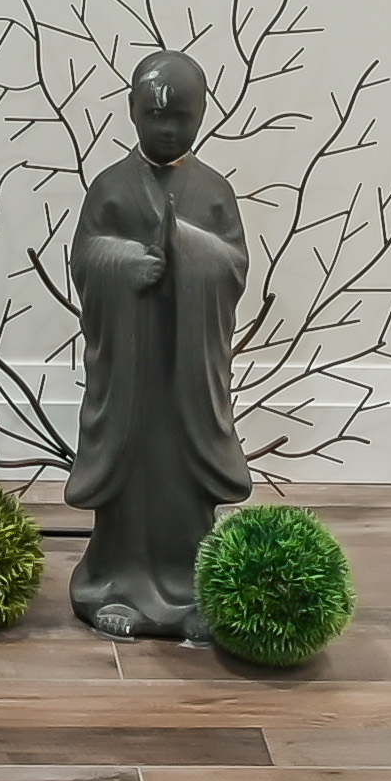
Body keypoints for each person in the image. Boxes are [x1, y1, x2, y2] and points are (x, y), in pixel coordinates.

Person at [62, 52, 253, 641]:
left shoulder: (214, 191)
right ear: (132, 112)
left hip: (185, 374)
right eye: (155, 115)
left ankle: (193, 588)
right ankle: (114, 584)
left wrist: (189, 251)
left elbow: (234, 265)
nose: (168, 129)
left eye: (182, 117)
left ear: (202, 115)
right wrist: (130, 263)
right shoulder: (111, 188)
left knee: (182, 484)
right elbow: (86, 256)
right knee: (132, 483)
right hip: (132, 375)